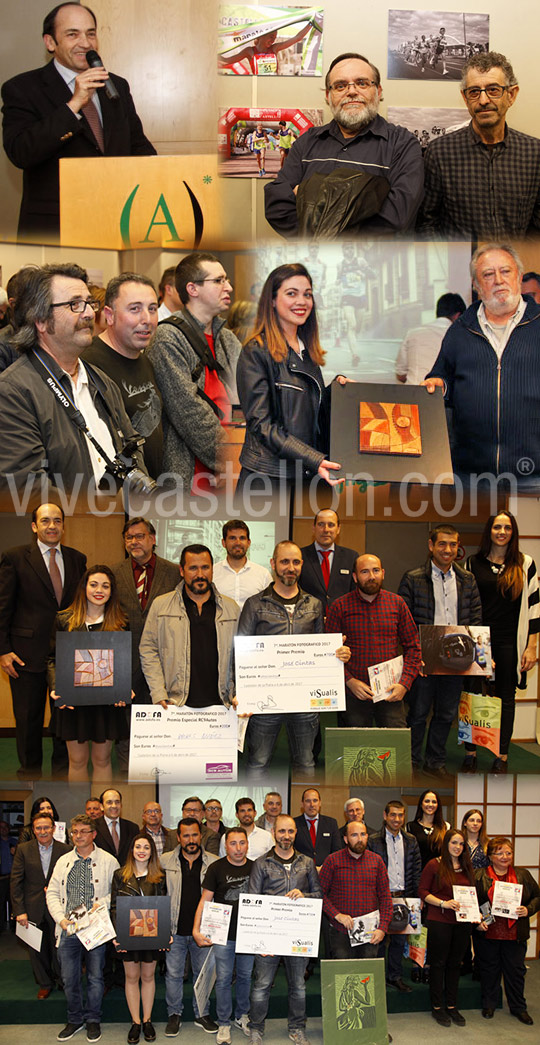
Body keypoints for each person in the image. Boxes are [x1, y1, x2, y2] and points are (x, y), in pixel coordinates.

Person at [1, 2, 156, 239]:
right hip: (56, 228)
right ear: (50, 42)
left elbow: (138, 147)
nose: (85, 43)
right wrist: (73, 105)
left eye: (90, 33)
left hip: (116, 221)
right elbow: (21, 152)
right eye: (73, 34)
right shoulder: (22, 88)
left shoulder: (117, 86)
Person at [0, 262, 149, 502]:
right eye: (74, 305)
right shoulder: (13, 392)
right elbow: (27, 486)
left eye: (90, 303)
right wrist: (95, 514)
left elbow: (131, 446)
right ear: (40, 320)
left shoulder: (102, 382)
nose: (90, 313)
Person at [264, 52, 423, 236]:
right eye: (340, 86)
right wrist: (362, 201)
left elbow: (397, 215)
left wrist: (310, 197)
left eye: (362, 83)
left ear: (378, 92)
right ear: (328, 96)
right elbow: (277, 205)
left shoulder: (402, 144)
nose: (352, 91)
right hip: (312, 261)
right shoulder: (307, 142)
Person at [423, 245, 540, 488]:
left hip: (533, 476)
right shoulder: (460, 330)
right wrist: (439, 384)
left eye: (505, 271)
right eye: (488, 275)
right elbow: (441, 377)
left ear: (518, 276)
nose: (498, 280)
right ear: (476, 285)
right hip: (470, 477)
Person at [237, 540, 350, 774]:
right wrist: (241, 692)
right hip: (264, 700)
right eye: (285, 561)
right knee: (258, 764)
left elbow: (320, 648)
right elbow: (241, 651)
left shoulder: (315, 605)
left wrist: (337, 654)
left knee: (306, 764)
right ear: (273, 564)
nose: (291, 567)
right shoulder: (255, 604)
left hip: (304, 701)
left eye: (296, 562)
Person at [235, 264, 343, 491]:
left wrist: (338, 392)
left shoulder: (307, 353)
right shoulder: (256, 351)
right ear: (272, 300)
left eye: (307, 295)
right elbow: (262, 425)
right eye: (291, 293)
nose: (302, 302)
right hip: (269, 480)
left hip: (307, 476)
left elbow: (308, 414)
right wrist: (314, 459)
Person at [0, 502, 86, 778]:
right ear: (34, 526)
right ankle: (30, 773)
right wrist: (3, 650)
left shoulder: (77, 559)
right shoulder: (14, 557)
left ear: (63, 525)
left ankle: (62, 775)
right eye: (46, 521)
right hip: (25, 654)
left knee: (63, 720)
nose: (52, 526)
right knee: (28, 719)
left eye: (57, 520)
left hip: (67, 656)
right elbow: (3, 607)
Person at [418, 52, 540, 238]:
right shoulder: (440, 153)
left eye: (493, 90)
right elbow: (427, 223)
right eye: (474, 92)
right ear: (465, 98)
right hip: (458, 265)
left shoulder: (534, 153)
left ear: (511, 95)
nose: (483, 100)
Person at [147, 252, 240, 493]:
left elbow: (246, 401)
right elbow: (187, 409)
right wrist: (228, 459)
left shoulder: (228, 339)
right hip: (191, 475)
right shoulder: (167, 338)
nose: (228, 287)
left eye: (227, 279)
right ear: (192, 289)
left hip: (233, 471)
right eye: (218, 281)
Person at [398, 524, 482, 776]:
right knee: (418, 712)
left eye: (453, 545)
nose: (447, 550)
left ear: (458, 548)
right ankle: (411, 761)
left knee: (446, 713)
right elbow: (403, 620)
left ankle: (435, 761)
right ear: (431, 546)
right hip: (424, 658)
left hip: (456, 658)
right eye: (442, 544)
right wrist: (415, 655)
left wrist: (479, 655)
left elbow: (476, 619)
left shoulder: (467, 579)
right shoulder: (413, 577)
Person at [464, 510, 539, 772]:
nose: (502, 532)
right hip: (480, 642)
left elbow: (534, 608)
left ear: (513, 532)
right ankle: (470, 752)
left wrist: (532, 646)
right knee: (473, 695)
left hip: (510, 641)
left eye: (507, 528)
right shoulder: (473, 563)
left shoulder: (525, 563)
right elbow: (467, 605)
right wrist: (479, 646)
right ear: (490, 531)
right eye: (497, 527)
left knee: (506, 698)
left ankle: (502, 755)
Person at [48, 565, 132, 781]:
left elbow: (124, 661)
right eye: (93, 584)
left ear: (112, 591)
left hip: (106, 704)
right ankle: (81, 813)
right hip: (73, 702)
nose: (99, 590)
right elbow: (51, 659)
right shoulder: (64, 620)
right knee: (76, 761)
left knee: (102, 761)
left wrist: (124, 689)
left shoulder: (121, 622)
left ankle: (98, 813)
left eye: (105, 586)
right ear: (84, 587)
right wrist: (57, 687)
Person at [247, 814, 322, 1045]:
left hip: (297, 936)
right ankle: (256, 1029)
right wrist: (260, 939)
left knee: (298, 986)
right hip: (269, 937)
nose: (286, 836)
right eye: (282, 831)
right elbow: (252, 900)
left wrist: (304, 895)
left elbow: (319, 895)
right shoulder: (261, 863)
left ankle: (297, 1028)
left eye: (290, 831)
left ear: (295, 833)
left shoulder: (307, 863)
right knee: (261, 985)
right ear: (273, 833)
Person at [81, 274, 163, 480]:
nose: (147, 319)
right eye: (135, 309)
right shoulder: (88, 365)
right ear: (109, 315)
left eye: (152, 309)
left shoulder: (144, 359)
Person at [46, 813, 119, 1043]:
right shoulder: (63, 861)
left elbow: (116, 893)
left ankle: (93, 1020)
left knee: (96, 978)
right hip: (69, 929)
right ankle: (75, 1019)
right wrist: (61, 919)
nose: (77, 836)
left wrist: (102, 904)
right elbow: (53, 894)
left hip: (95, 929)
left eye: (82, 831)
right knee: (69, 977)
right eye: (74, 832)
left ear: (94, 834)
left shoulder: (109, 861)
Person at [140, 544, 239, 712]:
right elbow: (148, 649)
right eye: (193, 568)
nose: (200, 575)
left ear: (212, 570)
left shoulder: (231, 608)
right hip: (175, 704)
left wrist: (237, 693)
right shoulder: (161, 606)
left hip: (221, 706)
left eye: (205, 567)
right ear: (181, 570)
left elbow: (240, 657)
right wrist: (158, 692)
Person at [326, 553, 421, 727]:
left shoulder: (397, 604)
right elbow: (327, 653)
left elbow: (414, 647)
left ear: (383, 573)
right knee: (356, 748)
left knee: (394, 745)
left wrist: (404, 684)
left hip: (390, 690)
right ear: (355, 577)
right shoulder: (339, 607)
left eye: (376, 570)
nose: (371, 576)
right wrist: (349, 681)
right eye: (364, 572)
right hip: (355, 692)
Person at [193, 827, 254, 1044]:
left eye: (242, 843)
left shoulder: (257, 867)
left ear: (248, 844)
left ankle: (242, 1015)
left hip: (249, 935)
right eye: (233, 843)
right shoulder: (216, 868)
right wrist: (196, 929)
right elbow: (205, 900)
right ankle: (224, 1022)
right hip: (223, 936)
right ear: (226, 845)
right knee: (224, 979)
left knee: (246, 977)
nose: (238, 848)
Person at [112, 518, 179, 711]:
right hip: (126, 658)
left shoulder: (174, 573)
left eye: (140, 536)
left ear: (153, 539)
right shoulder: (114, 573)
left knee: (161, 714)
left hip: (162, 658)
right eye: (129, 538)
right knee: (125, 722)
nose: (134, 542)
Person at [160, 818, 218, 1036]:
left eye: (194, 835)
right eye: (186, 835)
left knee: (202, 975)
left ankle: (201, 1013)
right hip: (174, 930)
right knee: (173, 975)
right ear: (178, 837)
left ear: (200, 835)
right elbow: (159, 894)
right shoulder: (165, 861)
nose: (191, 840)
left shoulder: (213, 862)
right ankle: (174, 1014)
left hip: (203, 931)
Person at [474, 836, 540, 1025]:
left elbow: (537, 896)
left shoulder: (523, 875)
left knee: (515, 972)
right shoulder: (479, 875)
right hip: (488, 931)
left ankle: (519, 1007)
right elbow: (472, 902)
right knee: (489, 970)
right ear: (490, 856)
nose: (505, 856)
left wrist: (528, 910)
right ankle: (489, 1004)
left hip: (515, 933)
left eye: (508, 852)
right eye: (500, 853)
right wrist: (477, 919)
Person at [110, 833, 168, 1044]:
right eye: (138, 847)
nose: (141, 850)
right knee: (131, 978)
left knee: (149, 976)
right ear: (132, 850)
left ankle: (147, 1020)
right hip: (129, 933)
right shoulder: (119, 875)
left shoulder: (159, 876)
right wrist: (118, 934)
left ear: (152, 851)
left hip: (152, 934)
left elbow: (164, 906)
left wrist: (165, 934)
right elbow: (114, 906)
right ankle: (135, 1022)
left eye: (146, 847)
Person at [10, 811, 71, 999]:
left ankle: (62, 980)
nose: (43, 831)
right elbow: (16, 881)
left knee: (60, 946)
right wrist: (19, 911)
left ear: (54, 829)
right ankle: (45, 983)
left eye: (46, 827)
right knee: (37, 948)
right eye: (39, 828)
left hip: (58, 908)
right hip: (32, 907)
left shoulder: (66, 849)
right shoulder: (23, 849)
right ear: (33, 830)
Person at [419, 829, 476, 1027]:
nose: (458, 847)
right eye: (454, 843)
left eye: (461, 844)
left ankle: (452, 1005)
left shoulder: (466, 866)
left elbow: (472, 893)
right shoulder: (434, 864)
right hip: (439, 919)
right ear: (446, 844)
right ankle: (437, 1006)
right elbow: (422, 891)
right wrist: (443, 904)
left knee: (455, 963)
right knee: (438, 963)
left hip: (462, 922)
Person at [318, 820, 392, 959]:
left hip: (370, 931)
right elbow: (319, 893)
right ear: (345, 839)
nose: (360, 839)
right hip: (341, 930)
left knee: (366, 975)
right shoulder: (332, 860)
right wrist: (337, 915)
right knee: (342, 975)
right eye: (354, 835)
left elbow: (385, 897)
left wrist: (383, 927)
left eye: (363, 834)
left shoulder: (377, 861)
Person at [368, 801, 421, 992]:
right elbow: (369, 871)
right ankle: (379, 978)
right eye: (393, 815)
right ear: (385, 815)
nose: (397, 819)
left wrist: (416, 899)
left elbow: (416, 871)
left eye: (400, 815)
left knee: (399, 941)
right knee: (379, 941)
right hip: (381, 898)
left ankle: (395, 977)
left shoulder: (411, 840)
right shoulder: (373, 840)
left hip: (404, 897)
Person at [395, 294, 466, 385]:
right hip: (443, 396)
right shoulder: (461, 337)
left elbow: (400, 374)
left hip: (412, 395)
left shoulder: (413, 333)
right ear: (458, 316)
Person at [299, 509, 359, 614]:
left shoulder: (351, 557)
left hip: (341, 620)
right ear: (313, 528)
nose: (326, 530)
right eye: (321, 524)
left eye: (331, 525)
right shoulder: (300, 556)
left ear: (338, 529)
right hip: (309, 621)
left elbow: (355, 594)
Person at [212, 520, 272, 608]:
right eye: (232, 538)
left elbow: (270, 608)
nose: (238, 543)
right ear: (223, 543)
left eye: (242, 538)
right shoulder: (213, 573)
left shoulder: (263, 575)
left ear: (249, 543)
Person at [293, 788, 342, 870]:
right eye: (308, 801)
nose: (312, 804)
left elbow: (337, 851)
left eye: (315, 800)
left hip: (326, 871)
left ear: (320, 803)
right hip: (302, 872)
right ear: (302, 804)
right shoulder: (294, 824)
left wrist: (325, 867)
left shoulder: (331, 823)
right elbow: (292, 851)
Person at [93, 789, 139, 866]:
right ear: (101, 806)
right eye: (109, 802)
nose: (114, 806)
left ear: (121, 805)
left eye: (117, 802)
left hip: (126, 875)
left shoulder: (132, 828)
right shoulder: (93, 827)